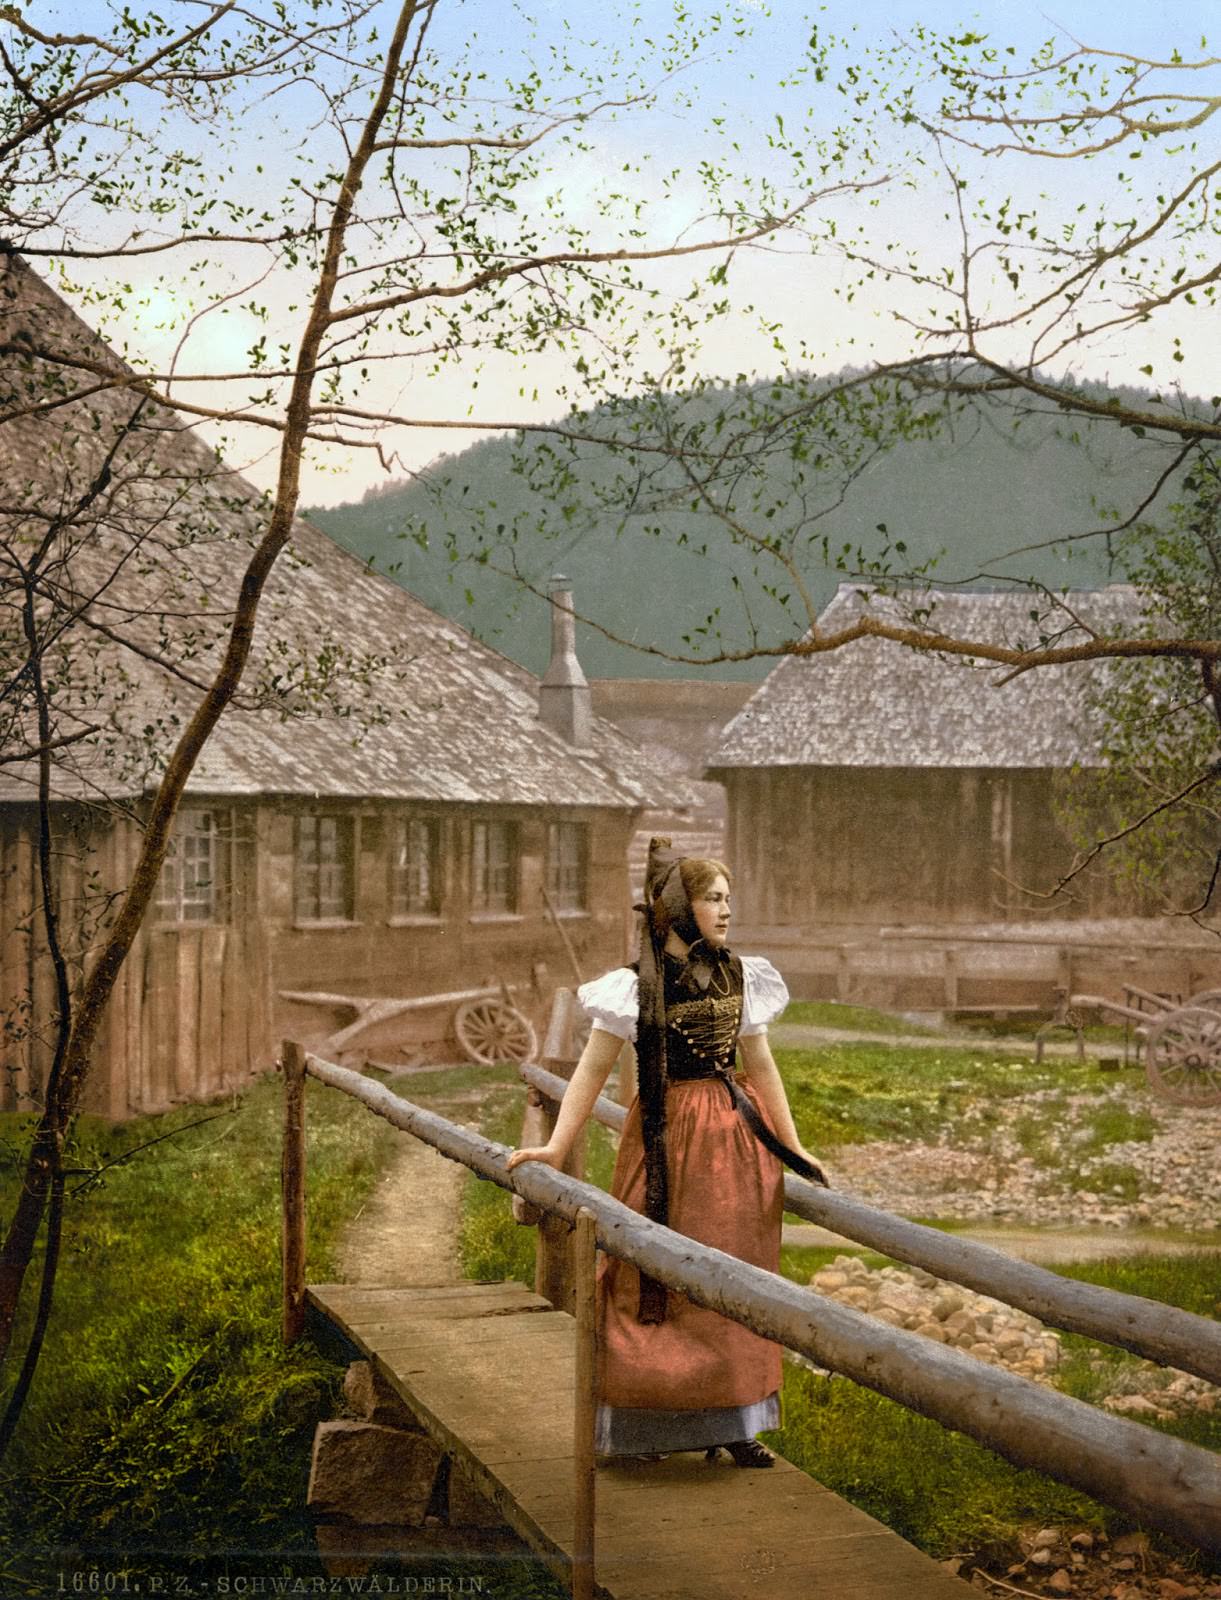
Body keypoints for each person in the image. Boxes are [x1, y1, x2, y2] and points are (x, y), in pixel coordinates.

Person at [507, 841, 827, 1468]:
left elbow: (761, 1067)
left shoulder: (742, 974)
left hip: (736, 1145)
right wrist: (554, 1146)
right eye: (713, 899)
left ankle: (734, 1424)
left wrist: (791, 1148)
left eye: (728, 899)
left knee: (737, 1279)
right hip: (666, 1141)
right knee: (646, 1274)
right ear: (680, 908)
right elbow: (591, 1075)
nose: (727, 911)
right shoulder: (633, 987)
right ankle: (641, 1428)